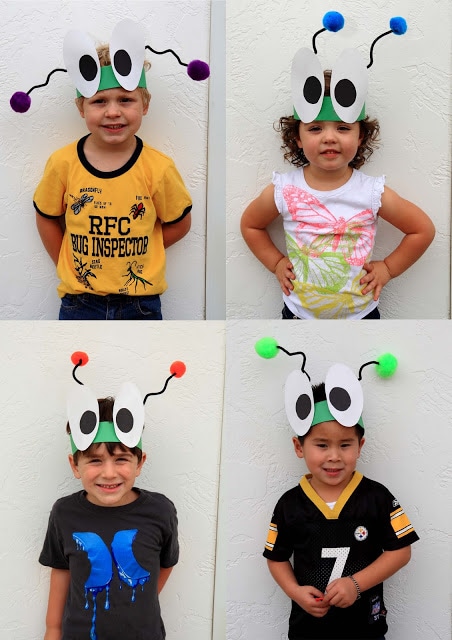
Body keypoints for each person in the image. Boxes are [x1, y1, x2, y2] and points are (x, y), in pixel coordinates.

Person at [240, 70, 435, 319]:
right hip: (298, 314)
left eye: (343, 128)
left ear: (360, 135)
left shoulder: (372, 192)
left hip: (362, 315)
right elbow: (251, 225)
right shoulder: (284, 189)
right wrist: (276, 263)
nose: (329, 138)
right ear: (297, 137)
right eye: (315, 128)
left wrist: (388, 268)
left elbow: (422, 229)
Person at [34, 41, 192, 320]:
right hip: (79, 302)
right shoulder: (63, 163)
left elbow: (180, 222)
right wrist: (65, 258)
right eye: (99, 101)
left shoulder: (158, 167)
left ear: (145, 104)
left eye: (125, 99)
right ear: (81, 107)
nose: (112, 112)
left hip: (141, 304)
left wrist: (145, 245)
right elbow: (46, 215)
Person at [263, 382, 419, 639]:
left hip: (365, 629)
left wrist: (356, 585)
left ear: (360, 445)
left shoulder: (377, 497)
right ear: (299, 446)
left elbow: (401, 551)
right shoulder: (289, 504)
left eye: (345, 445)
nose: (334, 456)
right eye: (322, 445)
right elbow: (276, 557)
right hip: (308, 630)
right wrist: (295, 592)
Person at [39, 398, 178, 640]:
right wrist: (53, 630)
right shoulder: (64, 513)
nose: (109, 473)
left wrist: (141, 601)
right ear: (75, 465)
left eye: (121, 459)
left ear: (139, 463)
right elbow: (61, 571)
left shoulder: (160, 511)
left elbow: (166, 563)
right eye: (95, 460)